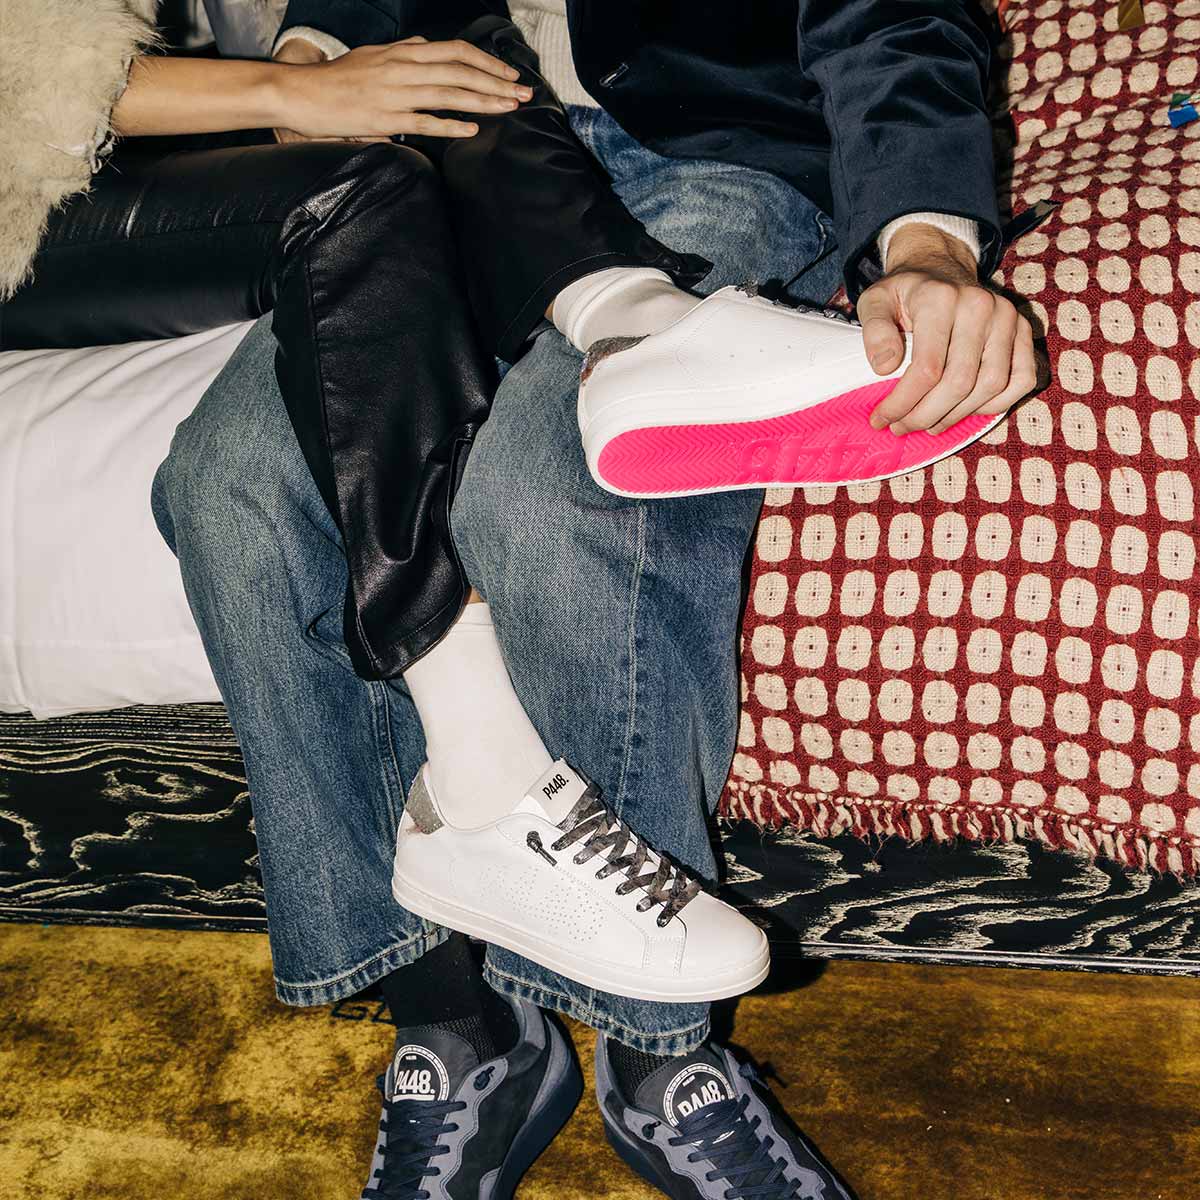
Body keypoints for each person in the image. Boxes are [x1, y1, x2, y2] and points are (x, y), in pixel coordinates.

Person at [155, 4, 1033, 1200]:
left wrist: (926, 242)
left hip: (712, 157)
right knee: (230, 488)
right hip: (424, 185)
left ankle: (659, 1059)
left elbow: (895, 15)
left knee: (557, 480)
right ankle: (455, 1027)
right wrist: (311, 67)